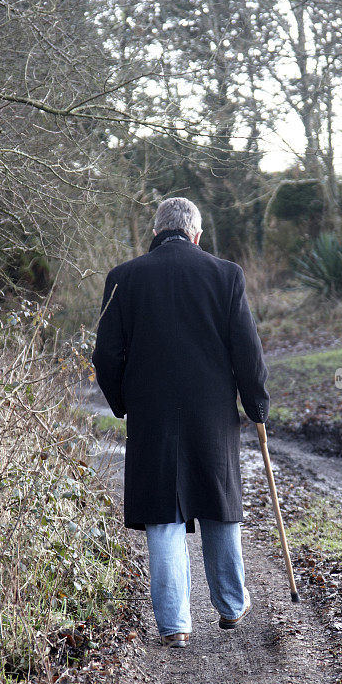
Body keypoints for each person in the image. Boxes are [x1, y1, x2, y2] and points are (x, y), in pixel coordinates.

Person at [92, 197, 270, 648]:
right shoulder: (225, 274)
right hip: (211, 412)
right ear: (196, 234)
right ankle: (231, 606)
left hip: (152, 415)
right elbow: (247, 352)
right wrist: (257, 405)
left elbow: (106, 356)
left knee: (162, 514)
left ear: (156, 232)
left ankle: (175, 625)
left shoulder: (124, 278)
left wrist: (122, 403)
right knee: (218, 502)